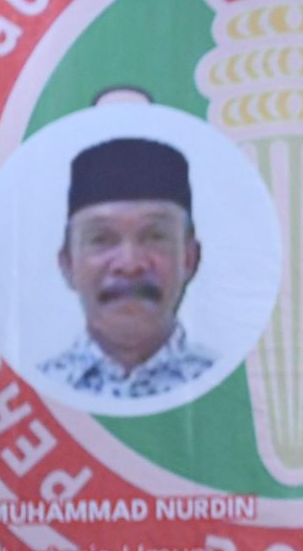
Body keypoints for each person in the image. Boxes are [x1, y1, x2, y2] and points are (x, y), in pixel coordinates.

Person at [37, 136, 217, 399]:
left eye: (155, 236)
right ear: (68, 264)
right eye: (101, 239)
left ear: (190, 259)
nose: (130, 265)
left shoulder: (230, 391)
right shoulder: (33, 390)